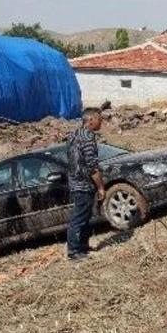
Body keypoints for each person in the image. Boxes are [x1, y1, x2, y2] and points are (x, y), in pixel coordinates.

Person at [66, 108, 106, 261]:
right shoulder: (88, 138)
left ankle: (83, 248)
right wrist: (101, 187)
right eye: (99, 118)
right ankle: (74, 252)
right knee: (79, 218)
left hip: (75, 182)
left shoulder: (74, 135)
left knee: (84, 216)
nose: (101, 121)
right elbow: (92, 166)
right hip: (83, 184)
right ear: (90, 120)